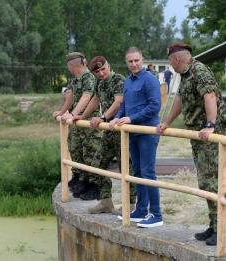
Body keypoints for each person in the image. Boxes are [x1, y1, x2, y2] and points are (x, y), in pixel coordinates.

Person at [157, 43, 225, 246]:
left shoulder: (199, 71)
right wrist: (167, 122)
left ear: (176, 59)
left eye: (170, 62)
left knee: (213, 182)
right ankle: (214, 225)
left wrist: (210, 125)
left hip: (210, 137)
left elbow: (210, 96)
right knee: (206, 183)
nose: (170, 65)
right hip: (199, 137)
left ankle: (221, 229)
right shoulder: (186, 75)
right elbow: (180, 99)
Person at [74, 56, 136, 213]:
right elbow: (95, 99)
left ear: (109, 66)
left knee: (126, 169)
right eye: (97, 72)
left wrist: (103, 117)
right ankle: (106, 201)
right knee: (97, 165)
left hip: (122, 130)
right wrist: (82, 116)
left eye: (103, 69)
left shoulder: (118, 80)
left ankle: (130, 205)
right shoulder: (100, 83)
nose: (101, 73)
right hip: (109, 131)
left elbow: (118, 102)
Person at [109, 47, 163, 228]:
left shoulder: (150, 80)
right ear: (126, 63)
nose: (134, 64)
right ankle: (140, 210)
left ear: (143, 60)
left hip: (147, 132)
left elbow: (154, 107)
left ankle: (156, 214)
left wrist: (131, 118)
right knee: (137, 172)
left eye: (136, 60)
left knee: (148, 173)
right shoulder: (128, 82)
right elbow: (124, 106)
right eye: (130, 61)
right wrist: (117, 118)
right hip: (132, 133)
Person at [52, 52, 101, 200]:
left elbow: (86, 97)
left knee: (91, 154)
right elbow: (71, 97)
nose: (71, 70)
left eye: (71, 67)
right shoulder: (75, 80)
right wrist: (62, 112)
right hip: (78, 123)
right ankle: (81, 181)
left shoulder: (89, 78)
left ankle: (95, 186)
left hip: (89, 122)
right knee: (76, 150)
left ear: (73, 65)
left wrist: (72, 114)